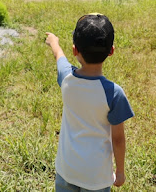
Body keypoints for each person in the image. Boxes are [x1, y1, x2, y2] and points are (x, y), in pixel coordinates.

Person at [45, 13, 134, 191]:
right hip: (97, 177)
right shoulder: (114, 93)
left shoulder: (66, 78)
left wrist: (54, 41)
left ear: (75, 50)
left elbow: (59, 56)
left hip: (66, 169)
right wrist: (121, 171)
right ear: (112, 51)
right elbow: (118, 139)